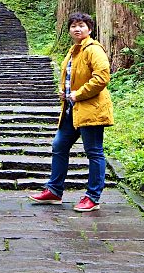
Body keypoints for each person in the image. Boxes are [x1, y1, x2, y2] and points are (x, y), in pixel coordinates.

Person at [28, 11, 113, 212]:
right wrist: (65, 91)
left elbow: (102, 77)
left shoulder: (94, 50)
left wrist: (78, 94)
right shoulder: (73, 50)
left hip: (90, 109)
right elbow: (71, 77)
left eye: (81, 25)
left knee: (94, 151)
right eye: (73, 25)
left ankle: (93, 197)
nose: (77, 28)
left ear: (89, 29)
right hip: (71, 109)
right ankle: (55, 190)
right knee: (59, 145)